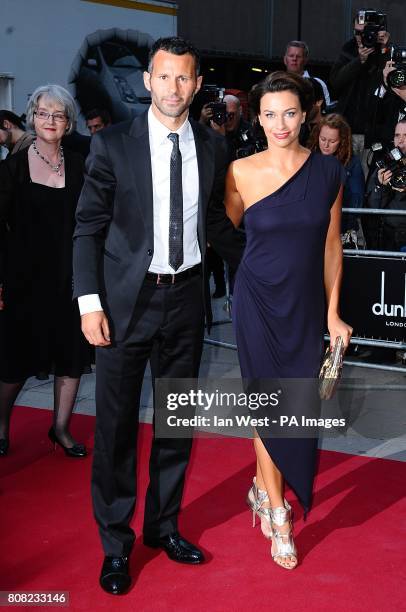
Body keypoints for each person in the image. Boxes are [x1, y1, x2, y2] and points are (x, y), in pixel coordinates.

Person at [73, 36, 243, 595]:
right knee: (117, 429)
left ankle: (163, 528)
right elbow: (88, 229)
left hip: (187, 300)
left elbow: (214, 224)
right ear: (148, 80)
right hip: (125, 303)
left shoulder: (213, 146)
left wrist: (268, 260)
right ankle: (115, 545)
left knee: (176, 423)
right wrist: (89, 301)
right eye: (163, 77)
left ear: (197, 85)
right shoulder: (114, 144)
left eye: (183, 78)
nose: (173, 88)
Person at [225, 72, 352, 569]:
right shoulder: (239, 171)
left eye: (291, 113)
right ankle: (278, 516)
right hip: (257, 302)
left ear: (306, 115)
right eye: (270, 113)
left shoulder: (327, 173)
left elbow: (332, 245)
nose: (281, 123)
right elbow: (228, 229)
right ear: (257, 117)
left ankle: (261, 485)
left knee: (294, 409)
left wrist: (334, 312)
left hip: (303, 306)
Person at [0, 85, 91, 459]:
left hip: (70, 277)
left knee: (71, 356)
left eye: (57, 115)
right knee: (15, 359)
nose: (49, 121)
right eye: (42, 113)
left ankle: (61, 429)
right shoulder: (12, 167)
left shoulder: (82, 162)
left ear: (68, 122)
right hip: (24, 278)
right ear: (32, 117)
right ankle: (1, 426)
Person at [330, 9, 391, 172]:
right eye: (357, 32)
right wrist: (359, 61)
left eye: (367, 33)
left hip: (373, 133)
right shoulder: (349, 48)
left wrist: (385, 49)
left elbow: (390, 84)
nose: (362, 37)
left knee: (367, 178)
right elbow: (336, 83)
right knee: (341, 176)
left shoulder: (384, 50)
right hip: (347, 129)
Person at [308, 113, 365, 236]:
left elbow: (357, 199)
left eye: (332, 141)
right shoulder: (308, 159)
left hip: (340, 227)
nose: (326, 145)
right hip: (311, 226)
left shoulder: (352, 163)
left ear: (342, 141)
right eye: (322, 139)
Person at [366, 118, 406, 251]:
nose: (401, 140)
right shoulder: (385, 164)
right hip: (389, 236)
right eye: (397, 135)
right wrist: (379, 185)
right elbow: (373, 207)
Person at [283, 40, 331, 106]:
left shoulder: (318, 84)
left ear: (305, 60)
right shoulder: (275, 83)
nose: (294, 59)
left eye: (298, 56)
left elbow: (327, 111)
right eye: (291, 56)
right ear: (285, 60)